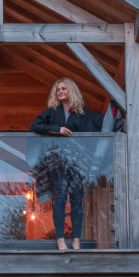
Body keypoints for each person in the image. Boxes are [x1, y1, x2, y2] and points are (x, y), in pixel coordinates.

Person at [29, 78, 100, 250]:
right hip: (58, 164)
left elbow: (104, 123)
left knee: (77, 200)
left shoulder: (83, 114)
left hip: (77, 164)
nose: (60, 91)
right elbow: (35, 125)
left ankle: (76, 240)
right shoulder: (53, 112)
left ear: (71, 91)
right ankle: (60, 240)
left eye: (63, 88)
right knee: (59, 199)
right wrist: (56, 129)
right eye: (57, 89)